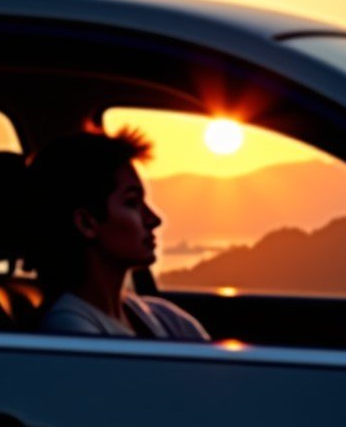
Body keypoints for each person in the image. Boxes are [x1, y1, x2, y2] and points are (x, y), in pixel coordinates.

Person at [27, 128, 209, 340]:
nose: (154, 219)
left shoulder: (161, 316)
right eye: (132, 203)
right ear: (87, 223)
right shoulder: (71, 330)